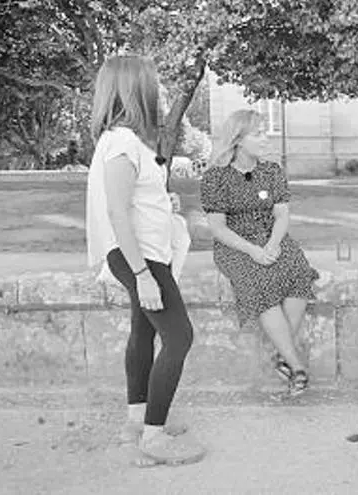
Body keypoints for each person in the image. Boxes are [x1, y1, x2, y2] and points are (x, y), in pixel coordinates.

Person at [85, 55, 206, 466]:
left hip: (145, 252)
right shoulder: (121, 142)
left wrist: (163, 201)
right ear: (135, 90)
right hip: (140, 257)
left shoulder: (127, 141)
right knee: (179, 337)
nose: (160, 93)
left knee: (143, 330)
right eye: (154, 86)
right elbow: (117, 212)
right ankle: (154, 437)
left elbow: (134, 200)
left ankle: (137, 422)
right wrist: (142, 275)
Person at [200, 109, 319, 397]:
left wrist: (273, 244)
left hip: (272, 237)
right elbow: (218, 228)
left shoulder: (272, 171)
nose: (266, 138)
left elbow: (282, 215)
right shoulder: (215, 177)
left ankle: (281, 354)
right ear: (238, 140)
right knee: (260, 282)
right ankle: (296, 366)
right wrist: (252, 250)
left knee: (299, 273)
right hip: (235, 244)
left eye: (265, 132)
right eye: (258, 134)